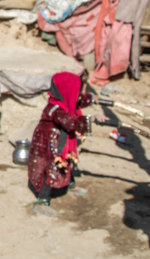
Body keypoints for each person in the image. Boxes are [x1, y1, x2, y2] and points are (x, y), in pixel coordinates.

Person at [27, 71, 105, 218]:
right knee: (51, 168)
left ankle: (69, 184)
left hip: (61, 139)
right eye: (77, 90)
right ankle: (41, 202)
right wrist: (92, 119)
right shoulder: (55, 109)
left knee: (68, 160)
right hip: (49, 143)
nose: (78, 94)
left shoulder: (64, 101)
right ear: (66, 91)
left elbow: (80, 99)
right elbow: (72, 122)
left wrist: (94, 98)